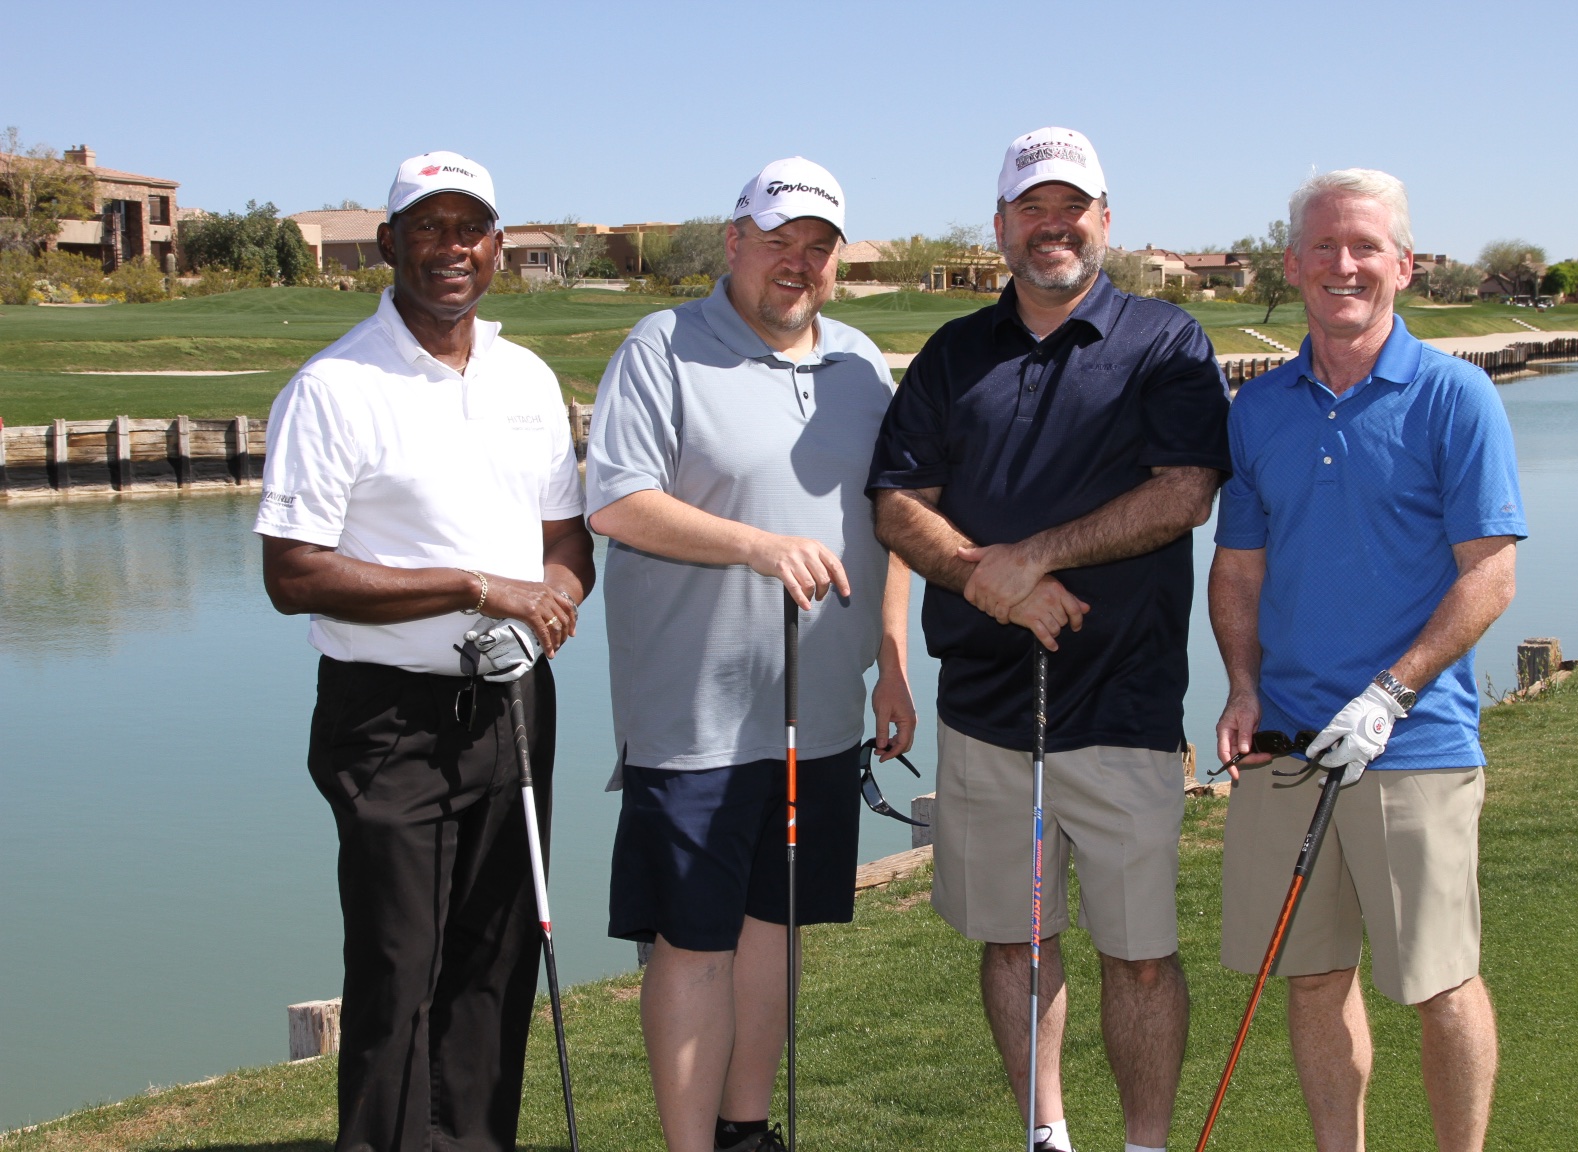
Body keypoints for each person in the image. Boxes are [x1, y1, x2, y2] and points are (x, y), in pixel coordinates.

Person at [870, 127, 1232, 1152]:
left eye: (1072, 207)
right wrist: (994, 584)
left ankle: (1145, 1145)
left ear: (1105, 221)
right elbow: (897, 504)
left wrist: (1030, 558)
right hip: (987, 714)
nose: (1052, 225)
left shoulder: (1165, 341)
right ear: (1000, 226)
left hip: (1123, 706)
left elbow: (1184, 492)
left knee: (1141, 956)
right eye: (1032, 207)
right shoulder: (953, 354)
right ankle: (1047, 1136)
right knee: (1015, 943)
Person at [256, 151, 594, 1152]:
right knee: (399, 967)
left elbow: (565, 541)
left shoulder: (526, 378)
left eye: (471, 228)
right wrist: (476, 587)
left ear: (497, 246)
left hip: (513, 706)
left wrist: (557, 598)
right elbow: (293, 575)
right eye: (429, 227)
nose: (453, 247)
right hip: (388, 717)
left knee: (497, 961)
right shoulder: (334, 387)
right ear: (388, 244)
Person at [584, 156, 915, 1152]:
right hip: (694, 716)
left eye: (819, 246)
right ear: (734, 243)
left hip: (820, 714)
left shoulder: (860, 364)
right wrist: (758, 547)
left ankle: (745, 1132)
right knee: (694, 944)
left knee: (775, 929)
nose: (798, 262)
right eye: (779, 242)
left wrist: (893, 659)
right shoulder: (662, 347)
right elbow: (618, 502)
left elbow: (890, 522)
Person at [1210, 168, 1525, 1152]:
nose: (1343, 265)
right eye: (1324, 247)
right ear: (1293, 265)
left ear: (1405, 265)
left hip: (1415, 744)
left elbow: (1490, 574)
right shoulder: (1259, 409)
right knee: (1311, 978)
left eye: (1365, 247)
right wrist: (1243, 686)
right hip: (1288, 746)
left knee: (1439, 982)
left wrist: (1390, 693)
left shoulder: (1456, 397)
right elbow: (1239, 569)